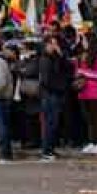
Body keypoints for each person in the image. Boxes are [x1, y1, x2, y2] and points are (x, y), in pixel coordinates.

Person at [37, 31, 74, 161]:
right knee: (50, 123)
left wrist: (61, 54)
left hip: (55, 93)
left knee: (54, 123)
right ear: (47, 45)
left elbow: (68, 67)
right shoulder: (45, 59)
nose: (55, 46)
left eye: (56, 44)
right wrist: (59, 87)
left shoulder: (55, 58)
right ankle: (47, 150)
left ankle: (50, 149)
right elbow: (47, 80)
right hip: (50, 94)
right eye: (53, 44)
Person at [76, 42, 97, 155]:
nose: (83, 43)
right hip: (83, 92)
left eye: (85, 40)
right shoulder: (83, 56)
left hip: (96, 92)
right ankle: (92, 141)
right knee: (89, 119)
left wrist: (84, 72)